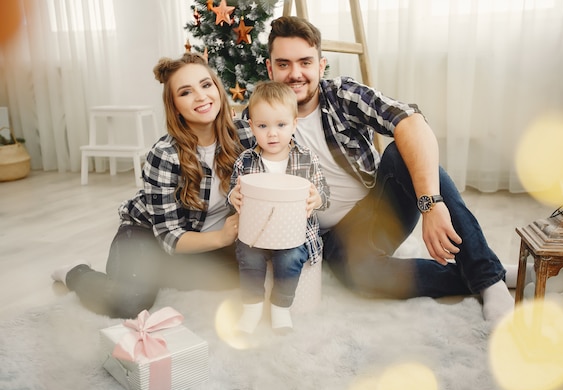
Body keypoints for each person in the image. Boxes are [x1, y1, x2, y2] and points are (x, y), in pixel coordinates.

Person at [235, 16, 514, 323]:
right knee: (364, 278)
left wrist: (431, 204)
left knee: (401, 151)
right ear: (269, 68)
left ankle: (488, 280)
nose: (295, 73)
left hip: (378, 208)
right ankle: (485, 270)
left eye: (305, 62)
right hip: (327, 238)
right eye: (284, 64)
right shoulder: (253, 121)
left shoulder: (342, 95)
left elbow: (412, 122)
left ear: (321, 65)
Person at [51, 53, 254, 319]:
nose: (201, 97)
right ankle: (75, 272)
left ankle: (158, 272)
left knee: (246, 276)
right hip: (146, 233)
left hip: (195, 239)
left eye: (206, 85)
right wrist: (222, 238)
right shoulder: (165, 154)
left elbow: (285, 157)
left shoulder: (245, 134)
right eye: (186, 92)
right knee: (128, 302)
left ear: (217, 88)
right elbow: (169, 236)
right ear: (175, 106)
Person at [228, 81, 330, 334]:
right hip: (258, 232)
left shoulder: (307, 158)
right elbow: (235, 189)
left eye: (281, 125)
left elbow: (324, 195)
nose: (272, 134)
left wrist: (317, 199)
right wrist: (234, 196)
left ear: (294, 124)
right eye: (263, 126)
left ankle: (280, 306)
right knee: (247, 255)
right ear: (251, 127)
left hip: (295, 234)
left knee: (292, 257)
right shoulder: (246, 160)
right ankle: (252, 307)